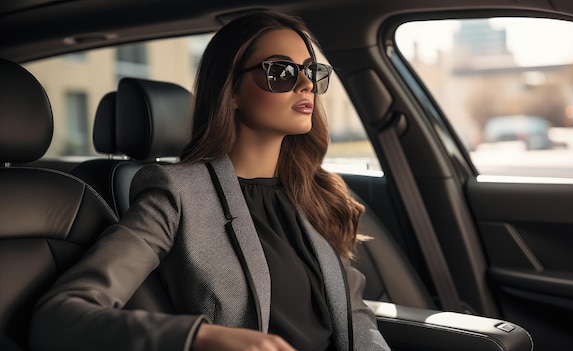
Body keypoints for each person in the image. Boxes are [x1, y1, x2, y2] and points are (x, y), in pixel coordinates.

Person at [29, 10, 390, 351]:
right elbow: (59, 315)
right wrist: (200, 338)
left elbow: (356, 318)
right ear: (231, 92)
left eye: (312, 71)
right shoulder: (179, 193)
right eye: (280, 70)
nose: (304, 84)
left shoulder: (317, 194)